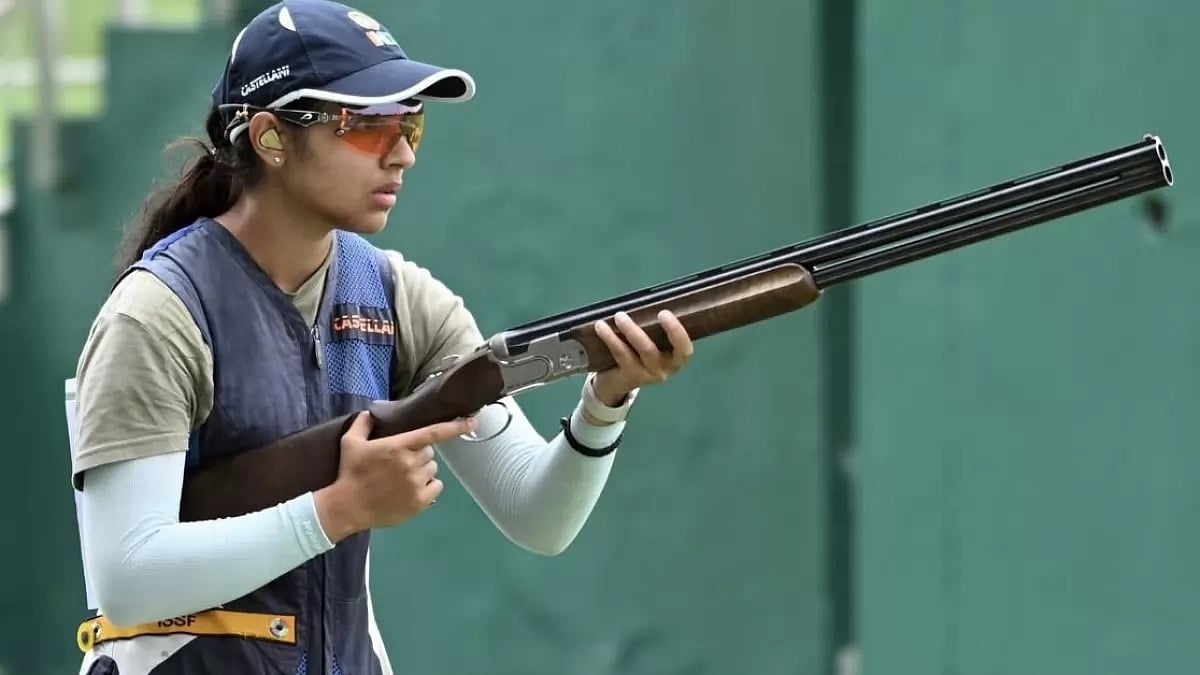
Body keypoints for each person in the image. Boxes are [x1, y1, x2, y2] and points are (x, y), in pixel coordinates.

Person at [68, 1, 695, 673]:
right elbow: (129, 580)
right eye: (366, 126)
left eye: (411, 125)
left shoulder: (400, 298)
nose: (401, 154)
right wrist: (337, 510)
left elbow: (538, 516)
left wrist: (606, 401)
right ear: (272, 138)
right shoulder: (157, 316)